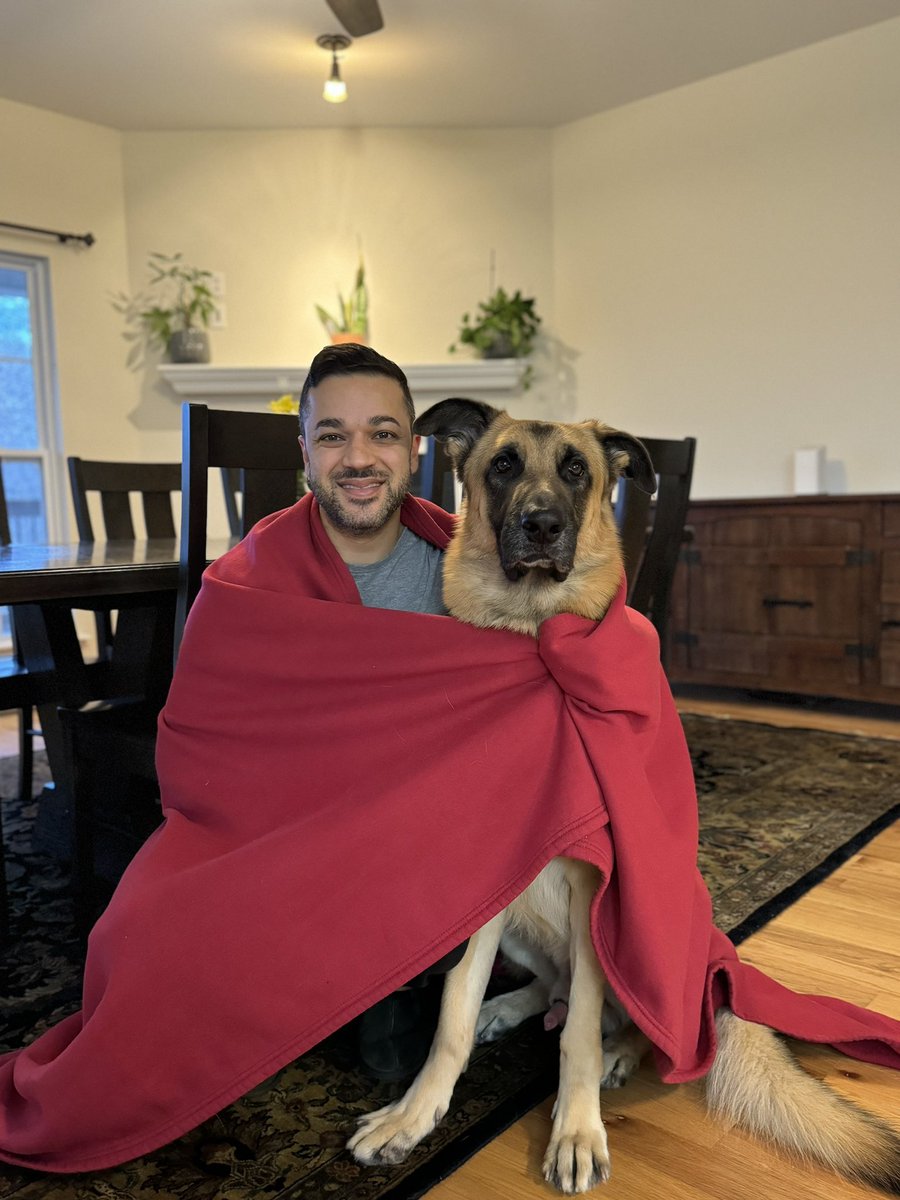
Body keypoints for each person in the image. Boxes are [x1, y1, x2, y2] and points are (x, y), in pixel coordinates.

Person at [297, 341, 467, 1080]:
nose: (358, 457)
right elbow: (209, 742)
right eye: (333, 434)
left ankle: (403, 980)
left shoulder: (469, 567)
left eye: (383, 433)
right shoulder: (252, 578)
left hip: (435, 814)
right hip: (310, 815)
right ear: (302, 450)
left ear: (415, 449)